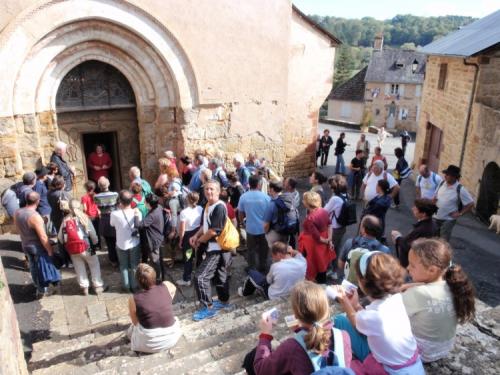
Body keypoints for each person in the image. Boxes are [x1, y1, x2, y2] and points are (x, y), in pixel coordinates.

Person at [334, 252, 425, 374]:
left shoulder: (374, 315)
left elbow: (356, 322)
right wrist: (356, 306)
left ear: (362, 282)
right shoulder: (397, 298)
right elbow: (366, 320)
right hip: (412, 364)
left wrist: (346, 303)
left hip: (389, 370)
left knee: (339, 320)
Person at [249, 280, 353, 375]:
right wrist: (301, 331)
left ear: (296, 314)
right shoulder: (343, 336)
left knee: (250, 360)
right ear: (326, 308)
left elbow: (260, 369)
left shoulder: (291, 347)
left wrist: (265, 335)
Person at [403, 239, 475, 363]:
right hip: (443, 348)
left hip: (421, 352)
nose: (408, 268)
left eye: (412, 265)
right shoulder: (452, 285)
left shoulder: (419, 293)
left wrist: (400, 289)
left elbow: (390, 313)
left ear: (432, 270)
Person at [190, 180, 233, 321]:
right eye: (207, 189)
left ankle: (207, 308)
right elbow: (206, 225)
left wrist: (200, 240)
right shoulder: (208, 205)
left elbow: (214, 231)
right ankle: (223, 301)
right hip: (214, 247)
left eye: (212, 189)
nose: (209, 192)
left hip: (218, 249)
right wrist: (196, 235)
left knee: (200, 277)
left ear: (218, 191)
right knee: (220, 276)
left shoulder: (219, 207)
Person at [14, 191, 60, 297]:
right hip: (37, 247)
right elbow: (43, 237)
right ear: (38, 201)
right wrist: (50, 251)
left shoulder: (17, 212)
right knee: (42, 269)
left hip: (25, 244)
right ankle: (42, 290)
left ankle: (38, 287)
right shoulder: (35, 216)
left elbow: (18, 229)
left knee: (33, 267)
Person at [127, 264, 181, 353]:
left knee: (131, 330)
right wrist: (167, 299)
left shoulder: (133, 299)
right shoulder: (166, 285)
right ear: (155, 276)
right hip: (172, 339)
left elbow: (135, 322)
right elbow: (174, 289)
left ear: (138, 281)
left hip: (149, 345)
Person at [58, 199, 105, 295]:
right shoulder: (84, 217)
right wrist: (95, 242)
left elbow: (60, 237)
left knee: (79, 266)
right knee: (94, 263)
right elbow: (92, 233)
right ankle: (97, 286)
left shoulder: (65, 220)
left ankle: (84, 287)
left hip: (73, 249)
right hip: (87, 246)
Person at [238, 241, 306, 300]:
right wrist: (290, 251)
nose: (272, 258)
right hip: (294, 294)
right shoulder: (302, 261)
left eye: (273, 255)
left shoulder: (276, 266)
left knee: (251, 273)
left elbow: (268, 281)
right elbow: (297, 253)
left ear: (279, 255)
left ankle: (244, 293)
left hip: (275, 296)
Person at [338, 215, 389, 284]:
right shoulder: (384, 250)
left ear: (363, 229)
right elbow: (384, 274)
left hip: (349, 285)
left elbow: (341, 264)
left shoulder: (350, 243)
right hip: (369, 290)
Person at [110, 190, 142, 292]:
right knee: (134, 265)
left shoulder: (114, 214)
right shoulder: (137, 212)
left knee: (123, 266)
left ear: (120, 202)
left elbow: (112, 224)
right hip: (134, 243)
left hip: (121, 243)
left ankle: (126, 286)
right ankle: (134, 285)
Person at [298, 191, 334, 284]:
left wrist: (326, 241)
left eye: (304, 200)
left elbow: (317, 237)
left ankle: (315, 285)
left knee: (313, 264)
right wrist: (329, 239)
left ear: (307, 204)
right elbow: (330, 225)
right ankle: (322, 282)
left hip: (314, 245)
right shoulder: (324, 211)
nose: (302, 201)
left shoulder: (310, 219)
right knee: (322, 263)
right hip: (323, 241)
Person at [238, 175, 271, 273]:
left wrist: (242, 223)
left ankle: (252, 267)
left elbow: (240, 213)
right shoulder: (266, 197)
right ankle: (263, 266)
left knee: (251, 249)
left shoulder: (243, 196)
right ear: (259, 184)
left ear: (249, 184)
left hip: (250, 229)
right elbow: (270, 214)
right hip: (263, 229)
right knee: (263, 249)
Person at [392, 199, 439, 267]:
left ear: (423, 214)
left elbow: (407, 246)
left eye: (416, 208)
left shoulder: (422, 229)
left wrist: (397, 237)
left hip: (410, 264)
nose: (412, 208)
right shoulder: (432, 224)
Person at [433, 165, 474, 241]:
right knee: (433, 239)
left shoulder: (460, 189)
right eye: (446, 174)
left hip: (448, 219)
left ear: (454, 177)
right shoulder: (442, 183)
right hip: (435, 217)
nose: (445, 176)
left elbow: (471, 203)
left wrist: (460, 213)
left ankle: (443, 253)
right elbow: (435, 197)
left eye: (448, 175)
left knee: (443, 241)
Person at [176, 192, 203, 286]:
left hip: (188, 236)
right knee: (199, 255)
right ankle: (199, 275)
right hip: (198, 233)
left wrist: (180, 240)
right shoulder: (200, 209)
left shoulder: (184, 212)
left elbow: (182, 229)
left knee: (188, 257)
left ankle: (187, 279)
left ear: (188, 199)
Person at [137, 194, 165, 283]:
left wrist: (135, 215)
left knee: (155, 260)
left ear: (149, 204)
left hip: (153, 240)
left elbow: (139, 225)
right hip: (159, 237)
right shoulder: (159, 207)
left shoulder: (152, 215)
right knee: (159, 259)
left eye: (145, 202)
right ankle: (162, 276)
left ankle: (158, 279)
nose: (144, 203)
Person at [263, 181, 297, 248]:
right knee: (285, 250)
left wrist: (265, 233)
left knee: (276, 253)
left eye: (268, 188)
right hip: (287, 231)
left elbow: (266, 225)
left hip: (275, 233)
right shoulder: (288, 199)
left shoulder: (271, 204)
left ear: (272, 189)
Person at [94, 177, 119, 266]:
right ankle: (120, 258)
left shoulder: (96, 196)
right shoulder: (115, 194)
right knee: (118, 240)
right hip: (115, 218)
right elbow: (118, 205)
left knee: (109, 243)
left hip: (104, 220)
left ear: (99, 186)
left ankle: (113, 261)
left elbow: (97, 207)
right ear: (108, 184)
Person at [325, 175, 349, 257]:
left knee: (330, 248)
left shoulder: (335, 199)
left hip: (334, 228)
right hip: (342, 226)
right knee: (336, 248)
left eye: (330, 184)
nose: (329, 186)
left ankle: (330, 268)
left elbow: (325, 211)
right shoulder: (345, 195)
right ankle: (334, 268)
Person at [81, 180, 100, 249]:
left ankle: (93, 246)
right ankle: (99, 245)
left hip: (89, 216)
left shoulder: (84, 197)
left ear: (86, 188)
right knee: (97, 231)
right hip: (96, 215)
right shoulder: (96, 195)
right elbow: (98, 205)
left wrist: (82, 213)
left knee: (90, 232)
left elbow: (85, 209)